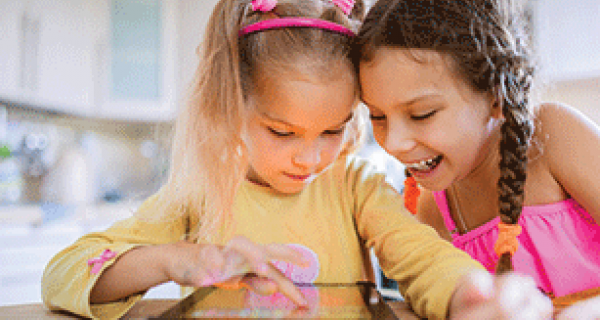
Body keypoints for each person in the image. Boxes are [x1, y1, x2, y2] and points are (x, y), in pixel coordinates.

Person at [42, 0, 552, 319]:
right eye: (281, 131)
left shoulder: (353, 185)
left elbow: (419, 254)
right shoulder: (200, 191)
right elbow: (64, 274)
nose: (311, 157)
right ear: (233, 105)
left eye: (333, 130)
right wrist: (177, 259)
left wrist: (471, 296)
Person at [354, 0, 600, 312]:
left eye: (421, 114)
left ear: (497, 94)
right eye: (377, 116)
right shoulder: (434, 208)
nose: (395, 142)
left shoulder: (554, 135)